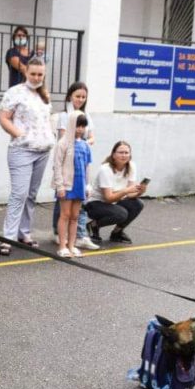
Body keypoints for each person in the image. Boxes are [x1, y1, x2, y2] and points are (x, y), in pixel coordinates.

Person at [0, 56, 53, 256]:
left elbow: (46, 121)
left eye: (40, 74)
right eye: (33, 74)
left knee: (31, 194)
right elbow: (3, 118)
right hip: (22, 149)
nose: (37, 78)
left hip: (42, 151)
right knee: (19, 193)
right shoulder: (15, 92)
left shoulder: (44, 95)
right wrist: (19, 135)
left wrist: (50, 137)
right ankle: (8, 237)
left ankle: (24, 233)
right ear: (25, 72)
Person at [52, 80, 98, 251]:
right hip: (65, 171)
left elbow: (88, 163)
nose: (80, 99)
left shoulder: (85, 125)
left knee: (75, 213)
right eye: (77, 96)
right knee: (64, 211)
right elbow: (64, 140)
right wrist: (59, 184)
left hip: (79, 177)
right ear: (70, 96)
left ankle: (75, 240)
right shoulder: (66, 117)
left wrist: (88, 184)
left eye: (83, 97)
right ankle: (61, 238)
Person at [85, 140, 145, 244]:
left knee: (138, 204)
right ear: (113, 154)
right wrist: (126, 190)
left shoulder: (131, 166)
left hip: (115, 201)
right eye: (121, 152)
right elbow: (108, 198)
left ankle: (117, 233)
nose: (124, 155)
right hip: (96, 203)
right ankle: (93, 225)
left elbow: (130, 194)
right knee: (121, 214)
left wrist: (140, 192)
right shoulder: (105, 169)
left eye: (127, 153)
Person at [52, 111, 91, 257]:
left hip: (80, 185)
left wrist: (88, 185)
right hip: (67, 185)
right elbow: (57, 166)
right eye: (77, 125)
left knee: (75, 216)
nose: (80, 129)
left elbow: (87, 166)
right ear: (70, 125)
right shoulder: (63, 143)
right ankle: (62, 246)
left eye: (83, 126)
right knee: (65, 215)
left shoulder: (86, 145)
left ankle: (72, 245)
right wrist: (60, 186)